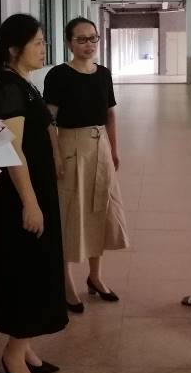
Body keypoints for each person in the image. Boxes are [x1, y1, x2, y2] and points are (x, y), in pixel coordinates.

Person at [0, 13, 68, 373]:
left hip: (37, 188)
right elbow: (12, 152)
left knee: (38, 268)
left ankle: (25, 348)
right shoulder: (8, 88)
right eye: (38, 43)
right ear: (15, 49)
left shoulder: (23, 82)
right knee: (27, 273)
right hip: (20, 194)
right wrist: (30, 203)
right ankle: (12, 357)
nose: (44, 48)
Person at [44, 17, 128, 313]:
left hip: (99, 145)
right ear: (69, 42)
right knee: (71, 212)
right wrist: (55, 155)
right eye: (81, 39)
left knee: (100, 209)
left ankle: (95, 276)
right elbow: (49, 121)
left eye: (93, 38)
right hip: (71, 146)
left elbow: (110, 115)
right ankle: (66, 281)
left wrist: (113, 150)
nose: (89, 44)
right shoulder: (58, 75)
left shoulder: (103, 74)